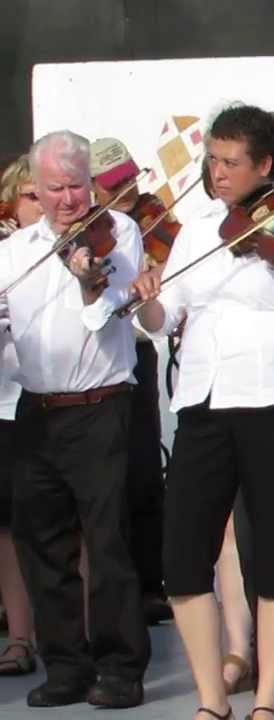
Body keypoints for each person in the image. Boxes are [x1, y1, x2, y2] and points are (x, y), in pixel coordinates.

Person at [130, 103, 274, 720]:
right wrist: (148, 299)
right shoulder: (196, 228)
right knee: (184, 552)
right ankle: (212, 699)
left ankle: (268, 700)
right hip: (202, 400)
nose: (216, 172)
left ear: (265, 164)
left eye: (230, 163)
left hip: (272, 399)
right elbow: (164, 321)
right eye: (211, 159)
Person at [0, 130, 150, 707]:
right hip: (36, 409)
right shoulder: (17, 252)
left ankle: (120, 667)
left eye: (77, 187)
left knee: (107, 541)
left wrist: (90, 282)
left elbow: (108, 313)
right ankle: (64, 664)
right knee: (43, 543)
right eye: (55, 189)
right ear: (34, 189)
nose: (68, 200)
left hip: (101, 404)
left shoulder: (118, 233)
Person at [87, 137, 172, 626]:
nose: (129, 188)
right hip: (98, 356)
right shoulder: (95, 230)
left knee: (142, 470)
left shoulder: (139, 220)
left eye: (131, 177)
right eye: (115, 183)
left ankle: (148, 583)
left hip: (134, 350)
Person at [0, 154, 40, 676]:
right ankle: (20, 636)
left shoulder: (84, 243)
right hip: (7, 398)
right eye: (29, 196)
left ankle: (86, 633)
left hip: (58, 396)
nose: (41, 205)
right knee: (9, 525)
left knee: (73, 525)